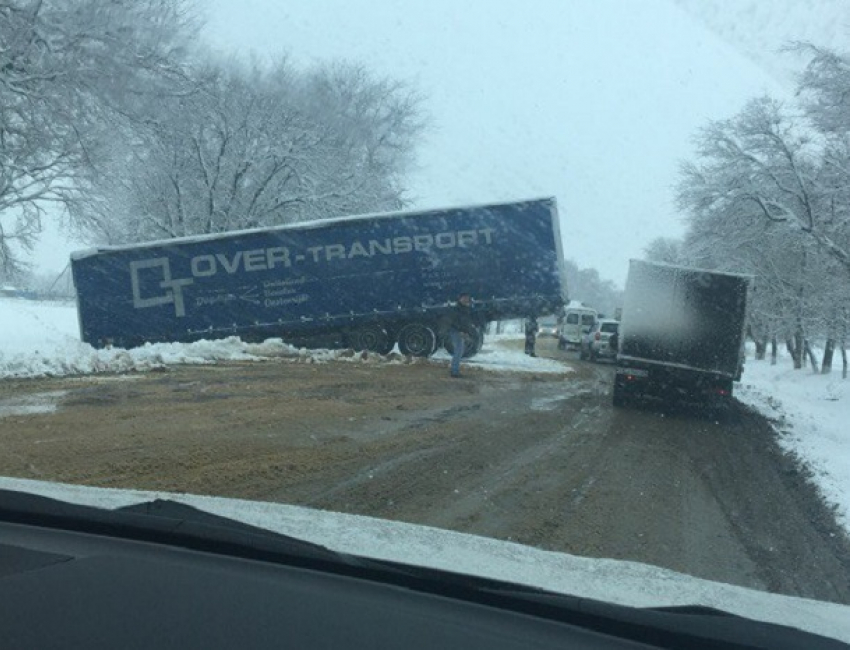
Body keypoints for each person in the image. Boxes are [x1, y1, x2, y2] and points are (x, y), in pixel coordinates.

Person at [446, 292, 475, 378]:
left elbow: (466, 323)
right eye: (464, 298)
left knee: (460, 350)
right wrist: (460, 331)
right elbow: (454, 321)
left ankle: (454, 369)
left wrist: (466, 332)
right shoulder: (457, 309)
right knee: (459, 350)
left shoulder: (466, 309)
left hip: (460, 331)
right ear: (460, 299)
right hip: (455, 331)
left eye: (467, 298)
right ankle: (454, 371)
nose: (466, 300)